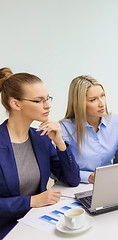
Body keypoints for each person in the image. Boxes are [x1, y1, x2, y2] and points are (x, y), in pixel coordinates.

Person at [0, 68, 80, 238]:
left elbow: (72, 179)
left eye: (47, 99)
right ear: (15, 104)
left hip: (38, 221)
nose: (48, 105)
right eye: (39, 101)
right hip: (7, 228)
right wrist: (31, 201)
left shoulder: (41, 138)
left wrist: (59, 142)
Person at [60, 75, 118, 184]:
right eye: (93, 100)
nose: (102, 103)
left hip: (109, 183)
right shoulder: (65, 128)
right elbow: (58, 171)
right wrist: (89, 177)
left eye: (102, 96)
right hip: (77, 185)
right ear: (79, 103)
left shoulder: (117, 122)